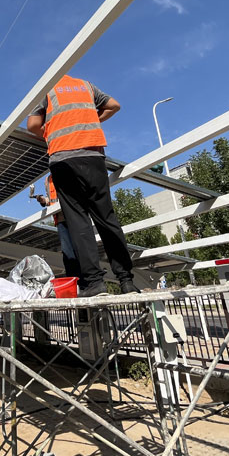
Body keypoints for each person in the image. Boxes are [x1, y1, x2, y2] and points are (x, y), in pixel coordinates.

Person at [27, 74, 139, 297]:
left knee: (79, 222)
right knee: (107, 218)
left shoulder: (46, 88)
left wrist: (50, 134)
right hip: (93, 156)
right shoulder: (86, 85)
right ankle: (126, 280)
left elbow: (32, 124)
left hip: (63, 160)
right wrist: (93, 121)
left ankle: (95, 282)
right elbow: (114, 105)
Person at [35, 174, 80, 279]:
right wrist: (42, 200)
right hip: (60, 220)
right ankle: (73, 280)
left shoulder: (67, 171)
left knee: (80, 249)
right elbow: (51, 200)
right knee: (67, 253)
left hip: (74, 217)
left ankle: (84, 280)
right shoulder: (48, 179)